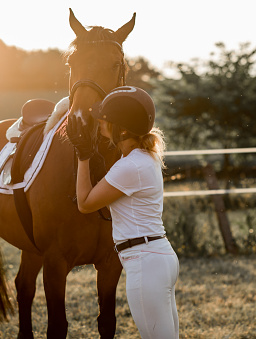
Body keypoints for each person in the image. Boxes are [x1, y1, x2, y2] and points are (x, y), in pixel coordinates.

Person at [67, 86, 179, 338]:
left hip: (144, 261)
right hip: (157, 256)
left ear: (124, 129)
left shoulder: (130, 166)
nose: (100, 122)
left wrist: (83, 157)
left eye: (106, 119)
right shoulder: (142, 158)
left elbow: (85, 204)